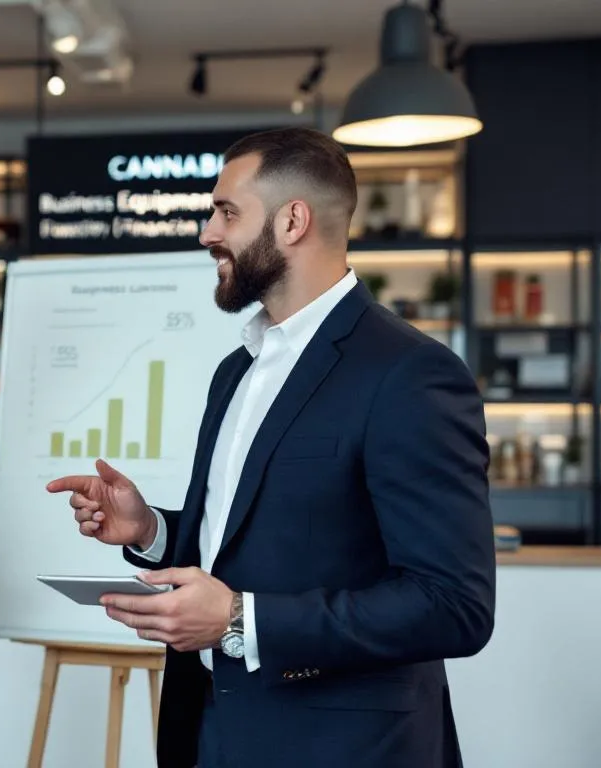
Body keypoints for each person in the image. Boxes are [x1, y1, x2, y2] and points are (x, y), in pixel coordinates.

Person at [46, 126, 495, 768]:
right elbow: (256, 544)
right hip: (209, 729)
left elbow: (454, 606)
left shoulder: (411, 374)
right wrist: (149, 530)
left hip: (344, 748)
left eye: (226, 212)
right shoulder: (238, 368)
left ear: (292, 220)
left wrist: (238, 620)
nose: (207, 232)